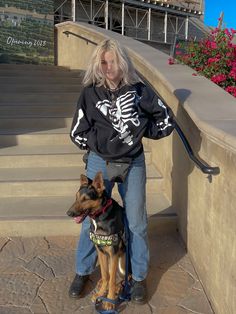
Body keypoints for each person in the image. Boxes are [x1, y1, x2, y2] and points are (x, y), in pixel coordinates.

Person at [69, 38, 175, 304]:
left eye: (112, 61)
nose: (107, 67)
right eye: (102, 62)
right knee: (88, 222)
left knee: (136, 222)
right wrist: (101, 144)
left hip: (132, 162)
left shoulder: (140, 90)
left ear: (122, 62)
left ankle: (138, 276)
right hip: (99, 162)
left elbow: (166, 119)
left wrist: (140, 132)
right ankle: (83, 271)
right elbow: (77, 132)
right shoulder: (90, 93)